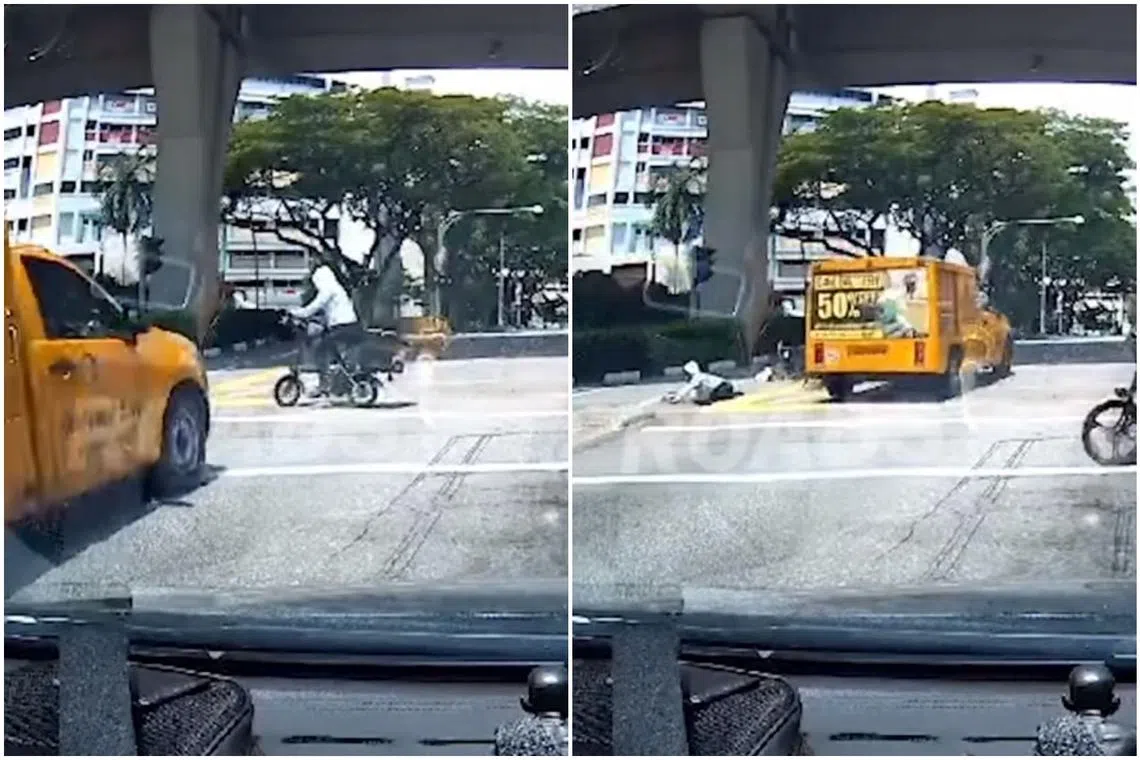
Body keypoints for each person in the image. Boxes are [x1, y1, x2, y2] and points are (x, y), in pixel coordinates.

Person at [291, 262, 362, 397]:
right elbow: (325, 312)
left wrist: (296, 313)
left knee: (320, 350)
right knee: (333, 352)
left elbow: (314, 307)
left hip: (342, 327)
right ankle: (338, 381)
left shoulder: (328, 290)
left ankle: (325, 384)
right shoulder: (337, 288)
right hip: (347, 326)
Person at [664, 360, 740, 406]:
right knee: (708, 398)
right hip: (722, 387)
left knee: (714, 397)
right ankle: (730, 394)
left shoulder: (697, 377)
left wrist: (678, 397)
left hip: (724, 386)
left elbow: (688, 387)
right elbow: (695, 393)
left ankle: (731, 395)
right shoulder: (698, 377)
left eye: (686, 373)